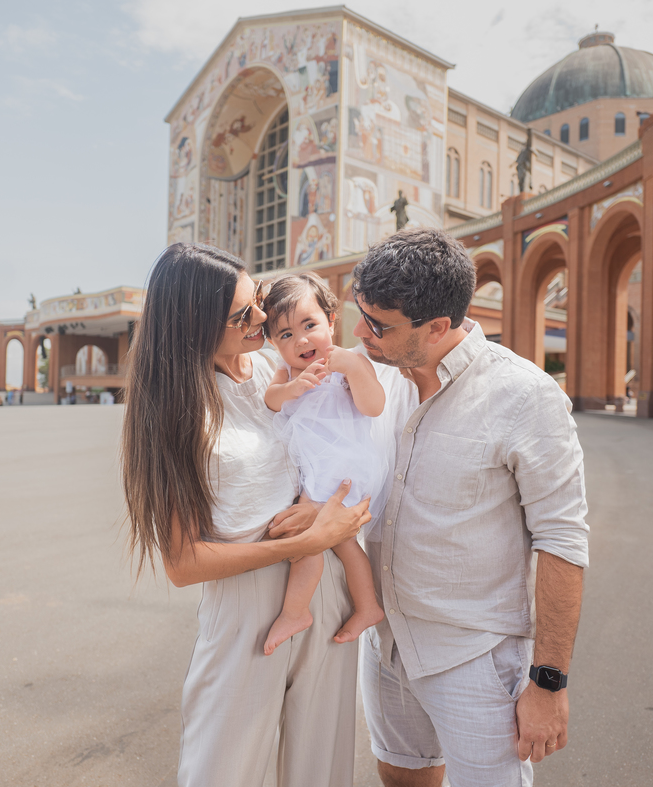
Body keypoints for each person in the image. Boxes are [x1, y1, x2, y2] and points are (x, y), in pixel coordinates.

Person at [121, 243, 372, 787]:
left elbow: (354, 441)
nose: (262, 317)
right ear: (193, 326)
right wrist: (300, 543)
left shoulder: (274, 366)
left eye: (256, 299)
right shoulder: (176, 408)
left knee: (322, 770)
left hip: (326, 587)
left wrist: (318, 514)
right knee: (223, 772)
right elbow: (183, 564)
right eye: (242, 315)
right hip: (245, 604)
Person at [350, 227, 590, 787]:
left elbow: (563, 541)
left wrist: (549, 683)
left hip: (473, 655)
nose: (361, 333)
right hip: (385, 640)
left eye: (379, 325)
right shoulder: (374, 382)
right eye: (361, 314)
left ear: (438, 327)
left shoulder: (525, 396)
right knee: (401, 774)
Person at [261, 273, 388, 656]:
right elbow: (271, 400)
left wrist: (353, 369)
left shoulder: (349, 362)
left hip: (342, 469)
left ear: (331, 320)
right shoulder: (286, 373)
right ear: (273, 342)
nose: (301, 340)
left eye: (309, 325)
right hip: (315, 470)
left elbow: (373, 406)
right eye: (285, 334)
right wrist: (292, 388)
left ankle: (295, 612)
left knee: (306, 541)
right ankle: (368, 607)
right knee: (346, 545)